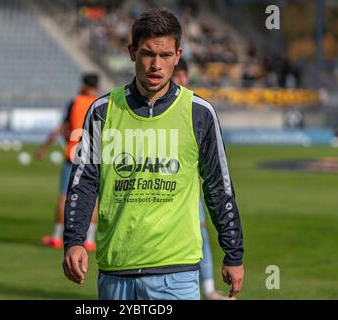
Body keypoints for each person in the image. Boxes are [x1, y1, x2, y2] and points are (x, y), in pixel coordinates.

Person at [63, 8, 244, 300]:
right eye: (148, 54)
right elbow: (84, 182)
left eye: (165, 56)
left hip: (176, 272)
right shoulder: (102, 112)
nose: (156, 65)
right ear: (132, 52)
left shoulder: (199, 113)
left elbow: (218, 186)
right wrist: (74, 240)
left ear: (178, 54)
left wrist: (233, 253)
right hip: (116, 271)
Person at [172, 58, 234, 300]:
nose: (183, 80)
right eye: (179, 75)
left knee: (201, 234)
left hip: (188, 191)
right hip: (163, 192)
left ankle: (206, 288)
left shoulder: (195, 110)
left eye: (185, 75)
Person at [36, 73, 100, 251]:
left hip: (72, 154)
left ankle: (57, 236)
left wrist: (43, 148)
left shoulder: (76, 102)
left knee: (65, 195)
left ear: (84, 85)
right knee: (93, 198)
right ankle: (89, 239)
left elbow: (62, 128)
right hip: (94, 156)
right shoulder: (102, 103)